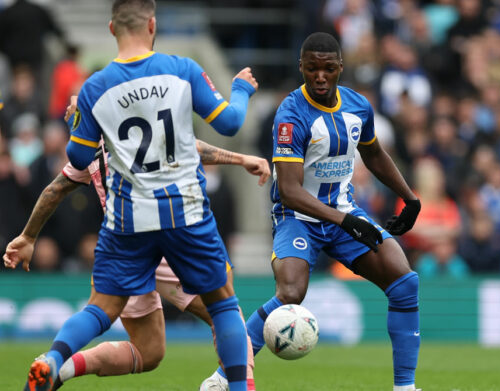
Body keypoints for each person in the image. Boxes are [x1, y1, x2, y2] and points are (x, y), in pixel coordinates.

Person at [11, 1, 258, 390]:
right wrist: (241, 90)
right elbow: (228, 122)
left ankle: (55, 358)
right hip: (184, 211)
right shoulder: (182, 69)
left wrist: (83, 123)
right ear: (153, 24)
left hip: (129, 219)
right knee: (223, 304)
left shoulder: (95, 87)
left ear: (112, 29)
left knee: (102, 309)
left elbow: (77, 156)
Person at [215, 32, 421, 391]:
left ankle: (404, 388)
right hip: (298, 218)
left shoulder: (357, 106)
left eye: (328, 69)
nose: (320, 77)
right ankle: (222, 378)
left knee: (405, 283)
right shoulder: (291, 115)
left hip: (344, 213)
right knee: (291, 293)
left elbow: (373, 154)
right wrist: (348, 221)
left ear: (340, 67)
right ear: (301, 68)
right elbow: (291, 193)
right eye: (312, 69)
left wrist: (410, 198)